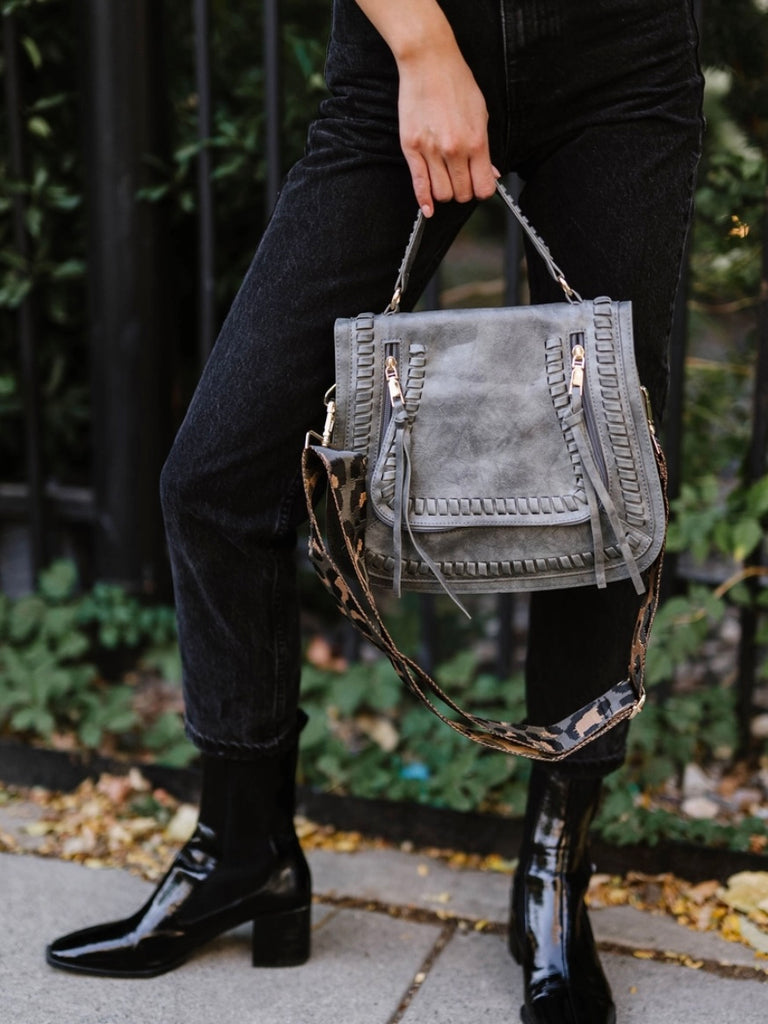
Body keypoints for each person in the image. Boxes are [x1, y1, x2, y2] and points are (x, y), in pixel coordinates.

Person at [46, 1, 704, 1020]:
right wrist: (422, 45)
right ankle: (243, 851)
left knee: (599, 484)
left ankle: (553, 878)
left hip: (623, 50)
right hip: (410, 43)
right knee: (216, 471)